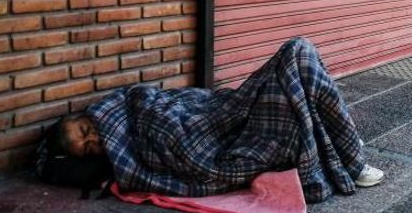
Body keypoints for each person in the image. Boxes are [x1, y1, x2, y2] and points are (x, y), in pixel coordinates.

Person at [36, 37, 384, 203]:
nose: (94, 138)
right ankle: (351, 158)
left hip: (223, 113)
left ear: (91, 114)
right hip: (224, 144)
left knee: (299, 57)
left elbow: (184, 103)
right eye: (86, 148)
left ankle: (346, 150)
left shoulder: (130, 104)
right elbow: (182, 166)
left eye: (85, 130)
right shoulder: (125, 158)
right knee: (298, 62)